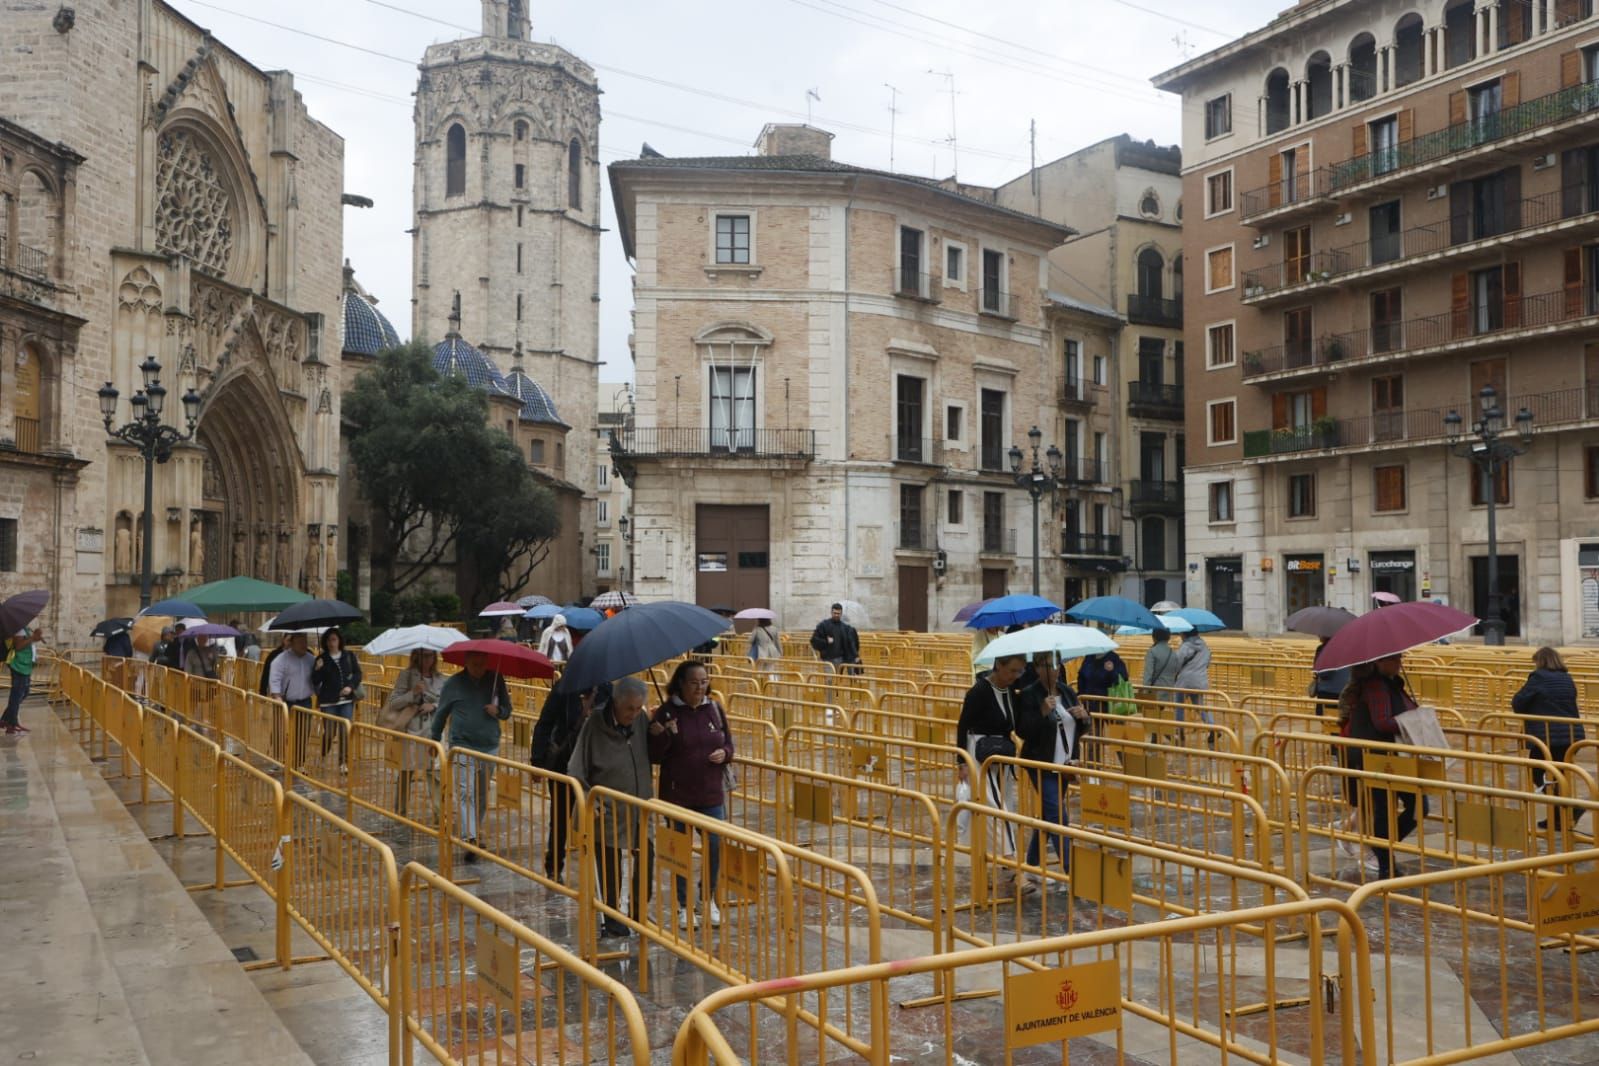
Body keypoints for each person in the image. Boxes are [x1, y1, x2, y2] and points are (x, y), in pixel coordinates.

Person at [568, 677, 655, 939]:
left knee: (646, 857)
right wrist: (585, 796)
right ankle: (613, 917)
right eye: (629, 708)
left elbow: (657, 750)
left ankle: (639, 913)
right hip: (606, 807)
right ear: (616, 703)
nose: (634, 714)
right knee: (609, 866)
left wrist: (663, 732)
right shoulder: (594, 723)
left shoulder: (641, 720)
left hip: (640, 806)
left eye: (639, 708)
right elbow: (575, 766)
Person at [648, 660, 734, 927]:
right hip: (678, 795)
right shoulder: (665, 713)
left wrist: (725, 754)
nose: (700, 688)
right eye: (694, 683)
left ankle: (706, 898)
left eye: (704, 681)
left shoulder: (715, 710)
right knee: (680, 850)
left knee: (715, 846)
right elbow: (655, 756)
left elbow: (729, 743)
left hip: (710, 793)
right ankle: (683, 906)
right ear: (681, 684)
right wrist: (662, 735)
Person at [1014, 652, 1091, 892]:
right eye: (1047, 665)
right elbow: (1023, 730)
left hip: (1065, 764)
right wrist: (1041, 713)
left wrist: (1085, 718)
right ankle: (1073, 870)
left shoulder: (1067, 692)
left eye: (1056, 665)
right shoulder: (1028, 695)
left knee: (1050, 813)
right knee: (1058, 814)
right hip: (1041, 763)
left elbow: (1081, 727)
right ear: (1037, 667)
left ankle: (1032, 862)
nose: (1053, 670)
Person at [1345, 654, 1423, 879]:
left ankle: (1382, 852)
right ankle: (1384, 859)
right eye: (1395, 658)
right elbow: (1382, 722)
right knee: (1390, 808)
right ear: (1379, 662)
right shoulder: (1376, 687)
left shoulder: (1391, 684)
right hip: (1381, 756)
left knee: (1413, 807)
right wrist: (1412, 721)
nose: (1400, 662)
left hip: (1393, 755)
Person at [429, 651, 512, 860]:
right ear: (466, 663)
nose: (479, 668)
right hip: (462, 744)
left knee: (481, 793)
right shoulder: (453, 684)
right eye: (474, 664)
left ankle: (474, 827)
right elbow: (441, 713)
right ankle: (470, 838)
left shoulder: (496, 679)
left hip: (488, 744)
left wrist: (498, 710)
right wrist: (434, 738)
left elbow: (507, 710)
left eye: (482, 664)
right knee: (466, 791)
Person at [532, 680, 613, 882]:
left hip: (597, 765)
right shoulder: (564, 687)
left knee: (601, 819)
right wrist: (537, 760)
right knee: (560, 817)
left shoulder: (606, 688)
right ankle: (554, 866)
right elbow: (545, 722)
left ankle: (602, 872)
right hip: (564, 764)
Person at [956, 653, 1029, 867]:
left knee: (996, 805)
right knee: (995, 807)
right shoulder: (978, 692)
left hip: (1000, 756)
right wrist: (961, 762)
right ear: (998, 665)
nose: (1015, 676)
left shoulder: (1011, 693)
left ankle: (985, 860)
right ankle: (1012, 862)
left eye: (1019, 671)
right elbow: (963, 726)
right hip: (978, 753)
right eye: (1012, 670)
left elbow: (1016, 726)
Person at [1512, 646, 1586, 826]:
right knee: (1559, 775)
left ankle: (1570, 808)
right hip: (1570, 734)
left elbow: (1519, 702)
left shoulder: (1538, 678)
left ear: (1540, 661)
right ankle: (1559, 818)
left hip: (1546, 735)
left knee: (1536, 772)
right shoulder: (1566, 678)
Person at [378, 648, 445, 817]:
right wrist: (412, 693)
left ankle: (439, 812)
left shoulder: (440, 678)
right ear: (416, 656)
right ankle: (400, 811)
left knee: (434, 772)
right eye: (423, 655)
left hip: (433, 731)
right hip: (411, 730)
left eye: (430, 655)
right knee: (406, 771)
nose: (427, 660)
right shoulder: (406, 676)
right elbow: (393, 703)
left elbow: (445, 702)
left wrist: (434, 706)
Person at [312, 629, 363, 774]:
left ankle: (343, 762)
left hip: (346, 701)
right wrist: (317, 669)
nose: (331, 643)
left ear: (339, 640)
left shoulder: (349, 656)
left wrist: (350, 687)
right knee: (329, 733)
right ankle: (323, 755)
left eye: (334, 639)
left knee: (344, 731)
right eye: (329, 640)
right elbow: (315, 680)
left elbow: (358, 674)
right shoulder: (321, 659)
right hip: (329, 701)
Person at [269, 632, 317, 765]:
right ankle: (279, 759)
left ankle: (299, 762)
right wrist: (277, 695)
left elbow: (317, 679)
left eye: (305, 641)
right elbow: (275, 679)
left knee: (303, 732)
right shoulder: (281, 659)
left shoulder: (311, 659)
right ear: (292, 642)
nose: (304, 644)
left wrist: (320, 669)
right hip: (285, 701)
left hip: (305, 701)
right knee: (281, 731)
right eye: (300, 641)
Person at [2, 626, 42, 735]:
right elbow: (19, 646)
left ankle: (5, 719)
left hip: (25, 666)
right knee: (17, 695)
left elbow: (29, 645)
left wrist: (35, 638)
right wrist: (33, 637)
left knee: (24, 693)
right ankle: (12, 724)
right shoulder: (18, 629)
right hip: (19, 666)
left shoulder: (26, 628)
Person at [1172, 631, 1215, 729]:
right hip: (1200, 681)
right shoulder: (1205, 647)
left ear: (1185, 634)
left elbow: (1177, 663)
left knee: (1179, 706)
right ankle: (1213, 728)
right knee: (1200, 706)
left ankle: (1180, 730)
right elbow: (1207, 663)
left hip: (1184, 681)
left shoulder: (1185, 646)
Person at [809, 603, 860, 668]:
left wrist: (855, 656)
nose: (836, 615)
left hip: (841, 659)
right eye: (834, 613)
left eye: (838, 613)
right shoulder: (824, 625)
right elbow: (814, 640)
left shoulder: (845, 627)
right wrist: (826, 641)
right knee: (829, 678)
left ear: (841, 614)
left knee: (838, 678)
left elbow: (851, 643)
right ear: (831, 612)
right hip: (827, 659)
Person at [1311, 637, 1351, 716]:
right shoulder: (1350, 647)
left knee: (1327, 721)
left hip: (1328, 692)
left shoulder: (1324, 649)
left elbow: (1323, 673)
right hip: (1347, 690)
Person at [259, 633, 291, 697]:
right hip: (278, 692)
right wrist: (263, 691)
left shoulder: (297, 655)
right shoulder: (274, 654)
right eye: (288, 640)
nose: (290, 643)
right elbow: (266, 672)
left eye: (292, 640)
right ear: (283, 640)